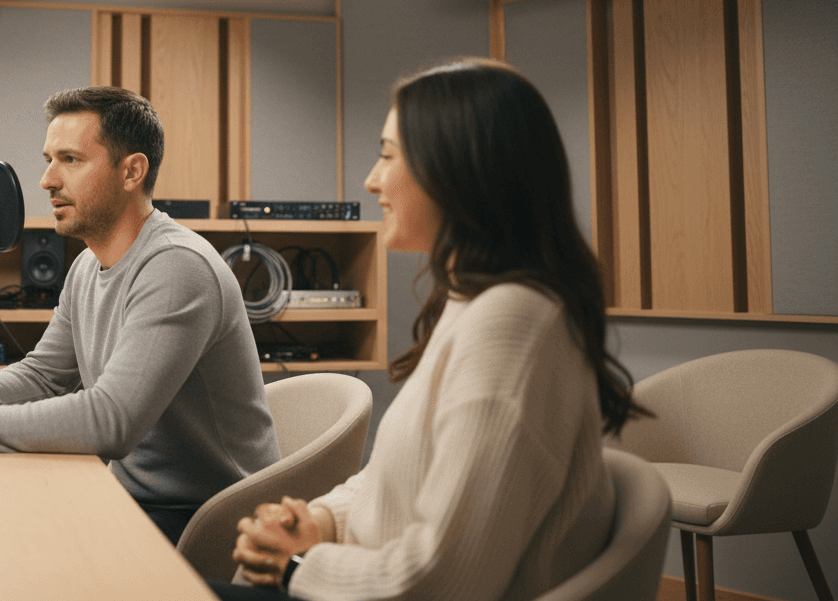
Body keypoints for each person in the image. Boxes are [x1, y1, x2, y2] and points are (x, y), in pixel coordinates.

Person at [217, 58, 648, 600]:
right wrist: (322, 522)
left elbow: (445, 579)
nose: (372, 180)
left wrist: (299, 566)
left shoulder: (510, 324)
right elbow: (398, 486)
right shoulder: (476, 303)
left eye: (388, 156)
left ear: (458, 173)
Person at [0, 86, 281, 545]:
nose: (47, 180)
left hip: (207, 520)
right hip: (134, 497)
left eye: (70, 160)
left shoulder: (176, 266)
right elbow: (44, 375)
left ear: (131, 171)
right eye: (48, 159)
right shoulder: (86, 265)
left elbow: (111, 421)